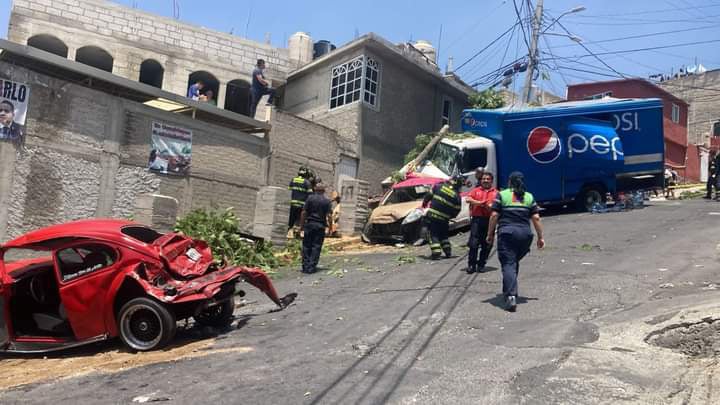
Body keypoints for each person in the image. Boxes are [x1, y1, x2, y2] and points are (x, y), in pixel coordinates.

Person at [486, 171, 544, 312]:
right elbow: (536, 218)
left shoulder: (502, 195)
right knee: (512, 262)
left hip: (507, 233)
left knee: (508, 263)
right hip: (525, 236)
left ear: (509, 182)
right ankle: (509, 290)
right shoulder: (529, 196)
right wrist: (540, 237)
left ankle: (511, 295)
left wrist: (490, 234)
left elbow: (494, 215)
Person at [423, 175, 463, 259]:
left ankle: (436, 252)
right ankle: (448, 251)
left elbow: (428, 196)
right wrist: (450, 216)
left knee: (432, 234)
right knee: (443, 235)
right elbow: (457, 210)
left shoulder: (439, 186)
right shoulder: (457, 196)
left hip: (433, 216)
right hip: (445, 219)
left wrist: (424, 203)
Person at [465, 170, 498, 274]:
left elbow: (498, 207)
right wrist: (479, 203)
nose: (486, 181)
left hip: (490, 221)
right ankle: (471, 265)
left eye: (488, 179)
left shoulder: (496, 193)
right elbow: (468, 199)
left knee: (487, 244)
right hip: (477, 220)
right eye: (484, 179)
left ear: (491, 181)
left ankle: (481, 264)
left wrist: (490, 207)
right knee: (473, 244)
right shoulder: (476, 190)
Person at [300, 182, 332, 274]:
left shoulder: (310, 198)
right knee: (316, 246)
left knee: (306, 246)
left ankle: (305, 266)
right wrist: (330, 228)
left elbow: (304, 213)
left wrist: (301, 226)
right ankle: (311, 266)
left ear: (315, 189)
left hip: (309, 225)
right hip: (320, 226)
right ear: (324, 190)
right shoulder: (326, 201)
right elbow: (329, 215)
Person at [288, 167, 313, 233]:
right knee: (299, 221)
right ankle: (297, 234)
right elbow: (310, 195)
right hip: (302, 205)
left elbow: (289, 191)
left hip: (292, 204)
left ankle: (288, 232)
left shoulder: (293, 180)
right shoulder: (307, 182)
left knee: (291, 220)